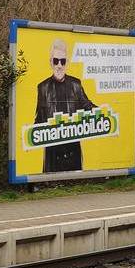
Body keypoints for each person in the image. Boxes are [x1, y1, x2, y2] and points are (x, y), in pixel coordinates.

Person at [34, 38, 96, 173]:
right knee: (50, 183)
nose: (59, 65)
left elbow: (88, 107)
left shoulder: (76, 84)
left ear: (67, 63)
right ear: (51, 62)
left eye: (63, 61)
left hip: (72, 148)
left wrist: (103, 113)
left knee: (75, 182)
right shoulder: (42, 87)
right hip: (52, 151)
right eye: (56, 61)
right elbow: (39, 118)